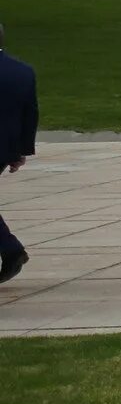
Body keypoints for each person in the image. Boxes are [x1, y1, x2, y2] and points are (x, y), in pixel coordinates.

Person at [0, 23, 38, 285]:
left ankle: (12, 249)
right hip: (5, 148)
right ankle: (11, 249)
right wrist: (21, 151)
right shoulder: (22, 71)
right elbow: (30, 114)